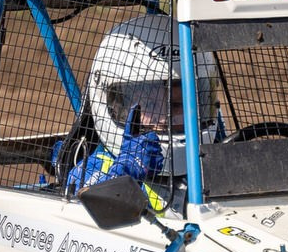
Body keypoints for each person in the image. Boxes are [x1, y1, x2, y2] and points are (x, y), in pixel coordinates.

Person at [64, 11, 212, 196]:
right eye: (149, 106)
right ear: (115, 108)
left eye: (176, 106)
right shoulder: (92, 169)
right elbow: (85, 201)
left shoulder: (213, 163)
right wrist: (124, 173)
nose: (163, 119)